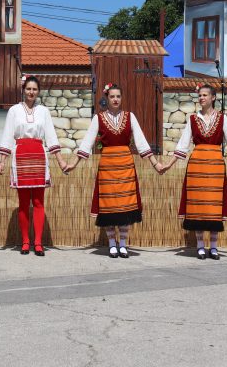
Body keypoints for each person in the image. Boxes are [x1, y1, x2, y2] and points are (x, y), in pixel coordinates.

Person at [157, 84, 227, 260]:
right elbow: (183, 144)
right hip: (196, 165)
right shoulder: (193, 119)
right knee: (197, 205)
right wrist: (169, 164)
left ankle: (214, 246)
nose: (201, 98)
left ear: (213, 98)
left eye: (205, 95)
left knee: (213, 206)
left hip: (215, 165)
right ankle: (200, 246)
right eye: (200, 95)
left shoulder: (222, 119)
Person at [67, 83, 163, 259]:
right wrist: (74, 163)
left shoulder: (130, 116)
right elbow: (87, 142)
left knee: (125, 206)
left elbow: (141, 141)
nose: (116, 99)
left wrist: (155, 163)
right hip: (108, 166)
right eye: (112, 96)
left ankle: (124, 244)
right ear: (107, 98)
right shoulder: (99, 118)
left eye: (118, 96)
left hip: (126, 163)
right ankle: (112, 244)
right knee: (110, 206)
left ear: (121, 98)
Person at [0, 75, 67, 256]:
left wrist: (60, 160)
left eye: (34, 89)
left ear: (38, 91)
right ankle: (25, 241)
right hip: (20, 156)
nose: (31, 92)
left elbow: (51, 135)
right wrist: (2, 161)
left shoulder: (43, 111)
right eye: (28, 89)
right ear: (23, 89)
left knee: (38, 202)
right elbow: (7, 135)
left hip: (38, 155)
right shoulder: (13, 110)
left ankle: (38, 243)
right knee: (23, 202)